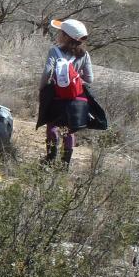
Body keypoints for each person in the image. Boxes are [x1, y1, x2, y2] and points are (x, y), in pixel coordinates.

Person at [38, 18, 94, 167]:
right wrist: (75, 79)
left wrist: (42, 88)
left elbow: (47, 72)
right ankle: (65, 164)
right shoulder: (85, 55)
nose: (58, 34)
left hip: (56, 95)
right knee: (70, 130)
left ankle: (50, 158)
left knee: (53, 125)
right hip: (76, 97)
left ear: (65, 36)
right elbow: (90, 78)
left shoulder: (54, 51)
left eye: (60, 32)